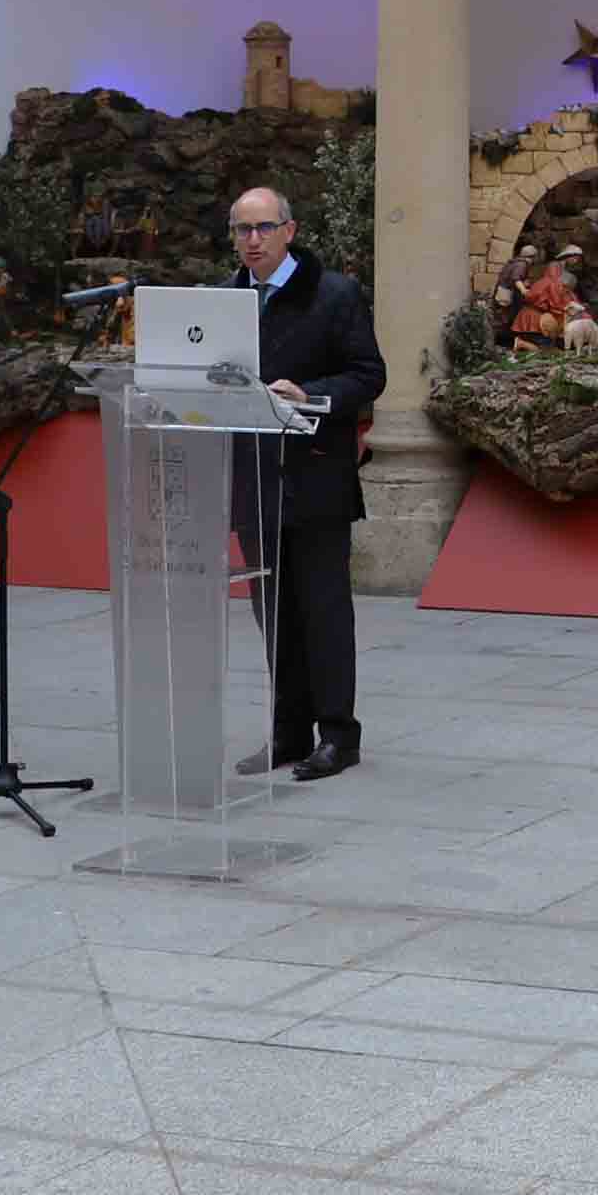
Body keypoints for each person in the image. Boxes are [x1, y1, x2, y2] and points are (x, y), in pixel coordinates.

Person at [222, 188, 386, 782]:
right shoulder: (223, 299)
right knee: (273, 610)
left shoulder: (335, 294)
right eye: (241, 230)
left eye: (264, 227)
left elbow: (369, 374)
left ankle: (337, 736)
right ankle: (288, 732)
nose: (252, 240)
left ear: (290, 230)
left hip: (315, 472)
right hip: (253, 474)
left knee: (322, 610)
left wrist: (312, 396)